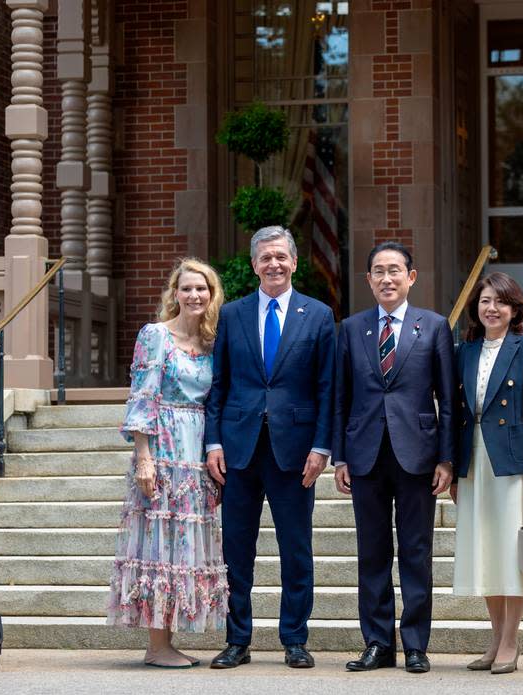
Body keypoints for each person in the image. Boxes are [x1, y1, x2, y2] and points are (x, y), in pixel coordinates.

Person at [204, 225, 336, 670]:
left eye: (281, 257)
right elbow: (218, 385)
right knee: (236, 552)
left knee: (296, 549)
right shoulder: (233, 314)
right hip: (238, 452)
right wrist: (213, 441)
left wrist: (322, 447)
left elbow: (326, 388)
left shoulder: (317, 315)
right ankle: (237, 639)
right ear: (254, 264)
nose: (274, 264)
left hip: (295, 453)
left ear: (294, 262)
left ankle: (294, 639)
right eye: (265, 258)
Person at [333, 241, 455, 674]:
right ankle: (378, 643)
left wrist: (447, 458)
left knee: (416, 551)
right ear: (368, 280)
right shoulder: (351, 328)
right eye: (379, 272)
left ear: (411, 277)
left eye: (395, 270)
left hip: (418, 456)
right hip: (365, 455)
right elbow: (340, 396)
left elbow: (448, 397)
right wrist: (340, 457)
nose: (387, 278)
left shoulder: (435, 326)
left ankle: (417, 644)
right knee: (372, 551)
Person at [108, 257, 228, 668]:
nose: (195, 295)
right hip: (163, 451)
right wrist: (144, 457)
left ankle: (166, 641)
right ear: (174, 294)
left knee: (184, 549)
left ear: (212, 296)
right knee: (160, 546)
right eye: (187, 288)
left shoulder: (212, 343)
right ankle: (156, 646)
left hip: (196, 453)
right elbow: (143, 396)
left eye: (203, 289)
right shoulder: (156, 336)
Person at [450, 272, 523, 675]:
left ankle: (511, 639)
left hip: (513, 460)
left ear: (515, 309)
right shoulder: (465, 350)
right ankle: (494, 639)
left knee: (512, 553)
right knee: (484, 551)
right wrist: (456, 469)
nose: (491, 308)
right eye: (485, 301)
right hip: (473, 458)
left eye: (500, 302)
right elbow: (458, 413)